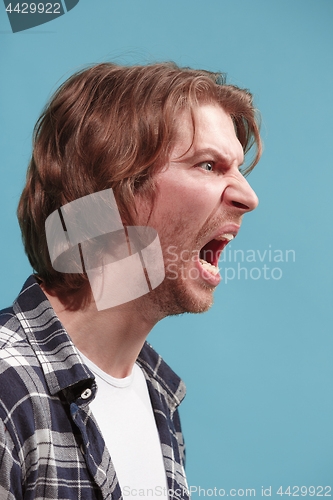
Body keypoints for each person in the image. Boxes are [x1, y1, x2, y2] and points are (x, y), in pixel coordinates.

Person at [0, 62, 261, 499]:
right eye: (209, 166)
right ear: (107, 198)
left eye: (238, 170)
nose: (248, 197)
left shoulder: (158, 396)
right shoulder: (8, 394)